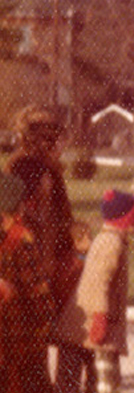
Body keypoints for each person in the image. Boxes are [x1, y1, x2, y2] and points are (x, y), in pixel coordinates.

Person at [0, 106, 62, 393]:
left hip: (36, 261)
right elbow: (34, 215)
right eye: (50, 138)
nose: (56, 144)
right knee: (29, 348)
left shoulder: (43, 167)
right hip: (30, 263)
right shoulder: (26, 167)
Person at [78, 190, 134, 393]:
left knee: (108, 374)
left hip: (106, 321)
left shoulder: (108, 239)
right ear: (124, 220)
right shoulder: (111, 244)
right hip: (104, 323)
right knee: (107, 378)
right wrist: (100, 316)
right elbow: (99, 282)